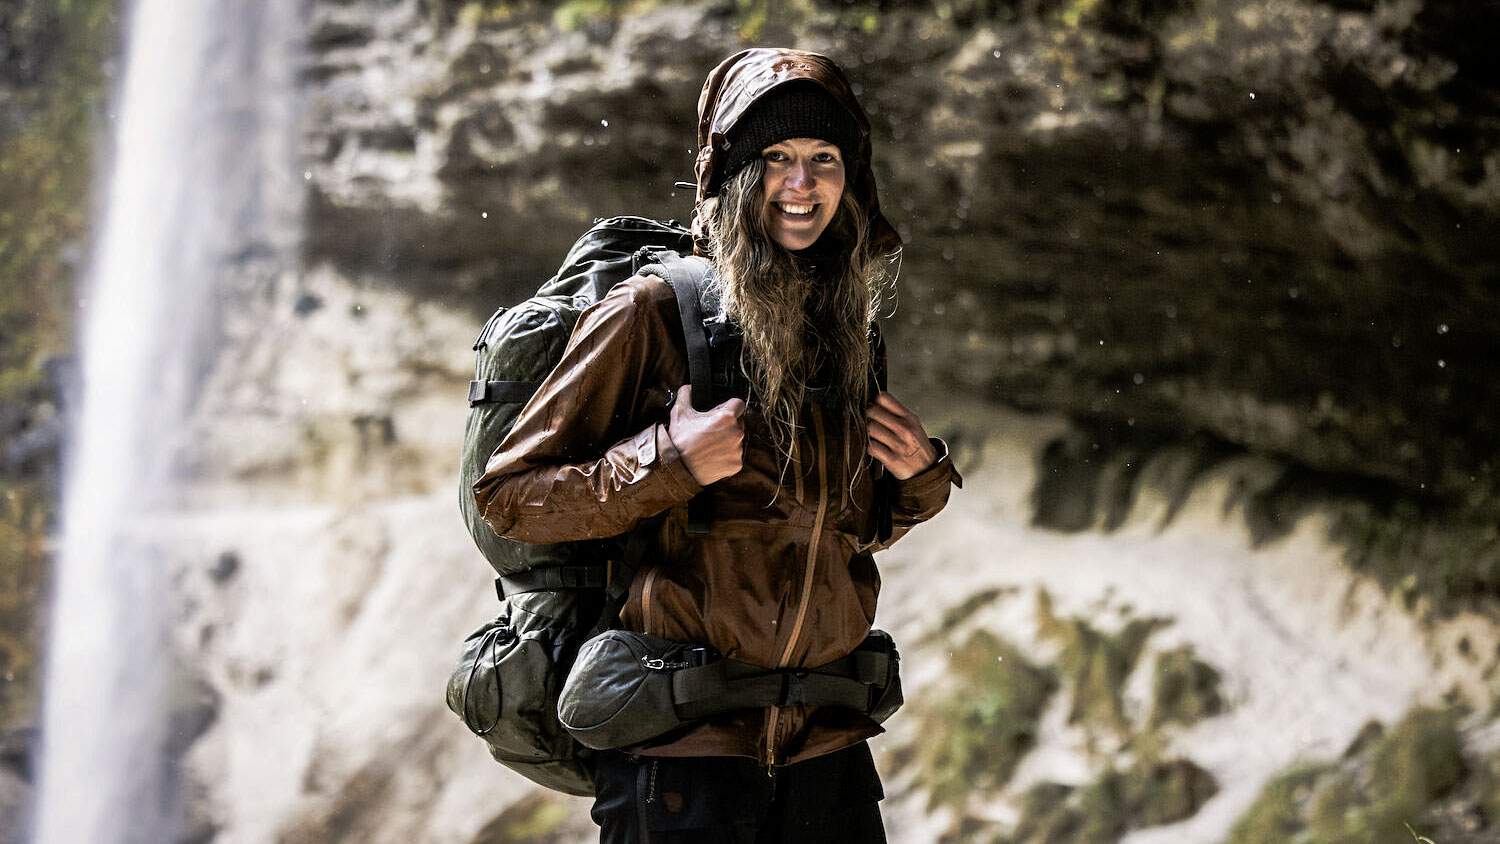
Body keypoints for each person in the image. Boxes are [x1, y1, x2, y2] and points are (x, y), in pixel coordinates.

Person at [473, 47, 961, 844]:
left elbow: (823, 533)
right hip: (681, 756)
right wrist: (665, 462)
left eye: (823, 158)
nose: (801, 185)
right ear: (733, 172)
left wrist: (916, 485)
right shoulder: (651, 311)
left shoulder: (847, 330)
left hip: (826, 750)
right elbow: (510, 497)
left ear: (853, 176)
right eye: (774, 158)